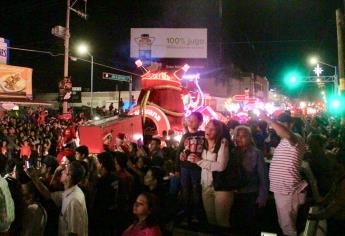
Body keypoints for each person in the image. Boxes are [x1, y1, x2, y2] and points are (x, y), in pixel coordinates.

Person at [260, 112, 307, 236]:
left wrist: (268, 119)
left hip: (287, 189)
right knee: (284, 223)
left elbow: (285, 133)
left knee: (288, 226)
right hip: (282, 188)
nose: (279, 126)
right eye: (278, 122)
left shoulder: (295, 137)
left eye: (282, 123)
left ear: (291, 125)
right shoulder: (284, 141)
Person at [26, 161, 88, 236]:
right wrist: (34, 178)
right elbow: (48, 195)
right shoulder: (69, 191)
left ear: (69, 176)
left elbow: (74, 232)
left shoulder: (74, 200)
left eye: (65, 171)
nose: (62, 172)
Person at [190, 119, 232, 228]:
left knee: (222, 221)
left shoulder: (222, 144)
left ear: (218, 132)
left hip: (221, 186)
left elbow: (221, 166)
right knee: (211, 220)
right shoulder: (202, 143)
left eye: (213, 129)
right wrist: (186, 156)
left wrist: (199, 161)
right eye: (207, 127)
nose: (209, 131)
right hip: (205, 185)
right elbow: (193, 157)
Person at [231, 125, 268, 235]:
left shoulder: (256, 153)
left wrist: (263, 196)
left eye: (243, 136)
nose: (240, 138)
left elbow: (263, 176)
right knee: (237, 224)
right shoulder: (232, 152)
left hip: (250, 193)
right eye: (237, 135)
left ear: (249, 137)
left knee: (250, 225)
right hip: (234, 193)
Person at [175, 112, 205, 224]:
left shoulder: (204, 135)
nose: (191, 122)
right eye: (189, 120)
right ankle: (186, 214)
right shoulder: (184, 136)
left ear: (200, 122)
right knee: (185, 191)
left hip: (197, 168)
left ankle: (196, 214)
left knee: (197, 190)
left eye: (194, 120)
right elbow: (178, 152)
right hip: (185, 168)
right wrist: (177, 168)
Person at [90, 152, 120, 235]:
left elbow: (97, 202)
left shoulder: (102, 181)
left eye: (97, 162)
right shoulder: (115, 178)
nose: (96, 165)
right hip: (111, 216)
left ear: (102, 164)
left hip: (101, 218)